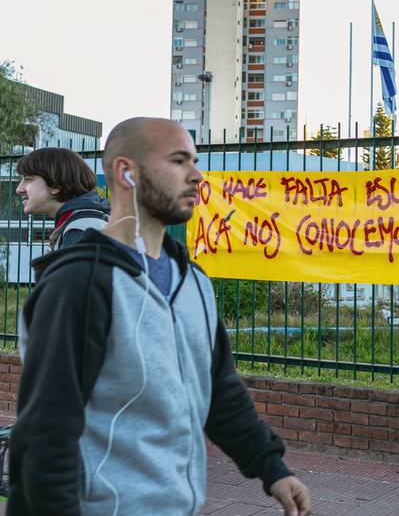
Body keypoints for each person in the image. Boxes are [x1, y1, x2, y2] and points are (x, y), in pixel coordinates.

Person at [9, 117, 311, 516]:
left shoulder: (194, 282)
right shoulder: (80, 282)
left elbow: (219, 389)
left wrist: (271, 468)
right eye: (178, 161)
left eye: (194, 162)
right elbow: (47, 431)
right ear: (126, 172)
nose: (197, 176)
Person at [15, 147, 110, 249]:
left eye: (28, 179)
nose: (19, 189)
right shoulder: (81, 225)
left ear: (55, 185)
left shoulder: (80, 232)